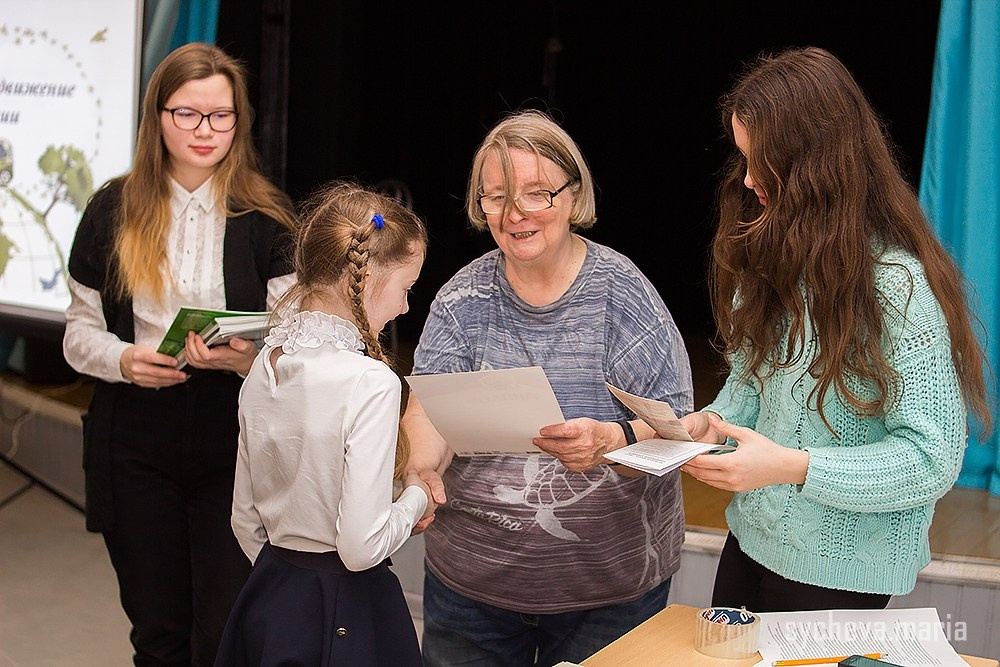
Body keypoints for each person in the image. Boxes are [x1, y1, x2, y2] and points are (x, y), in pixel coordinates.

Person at [680, 46, 992, 613]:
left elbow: (931, 459)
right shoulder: (773, 258)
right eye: (743, 158)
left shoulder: (896, 289)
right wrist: (713, 422)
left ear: (814, 163)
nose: (748, 179)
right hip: (753, 540)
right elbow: (752, 388)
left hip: (843, 570)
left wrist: (793, 466)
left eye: (761, 161)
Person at [402, 109, 694, 666]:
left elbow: (680, 433)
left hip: (610, 597)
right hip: (470, 593)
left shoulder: (623, 296)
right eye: (496, 197)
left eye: (536, 194)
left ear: (572, 193)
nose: (515, 215)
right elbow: (430, 410)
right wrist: (421, 464)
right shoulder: (462, 299)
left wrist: (609, 441)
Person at [62, 42, 296, 666]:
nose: (204, 131)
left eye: (221, 116)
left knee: (223, 634)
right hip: (134, 439)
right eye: (186, 114)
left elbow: (295, 347)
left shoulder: (268, 218)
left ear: (239, 123)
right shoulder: (111, 209)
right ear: (157, 117)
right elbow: (77, 336)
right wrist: (124, 361)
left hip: (234, 437)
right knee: (159, 634)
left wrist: (244, 360)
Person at [215, 182, 436, 667]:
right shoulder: (370, 382)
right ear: (365, 276)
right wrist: (419, 492)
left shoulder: (264, 365)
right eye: (405, 289)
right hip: (350, 608)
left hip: (272, 595)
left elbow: (244, 521)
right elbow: (361, 547)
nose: (403, 308)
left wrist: (291, 584)